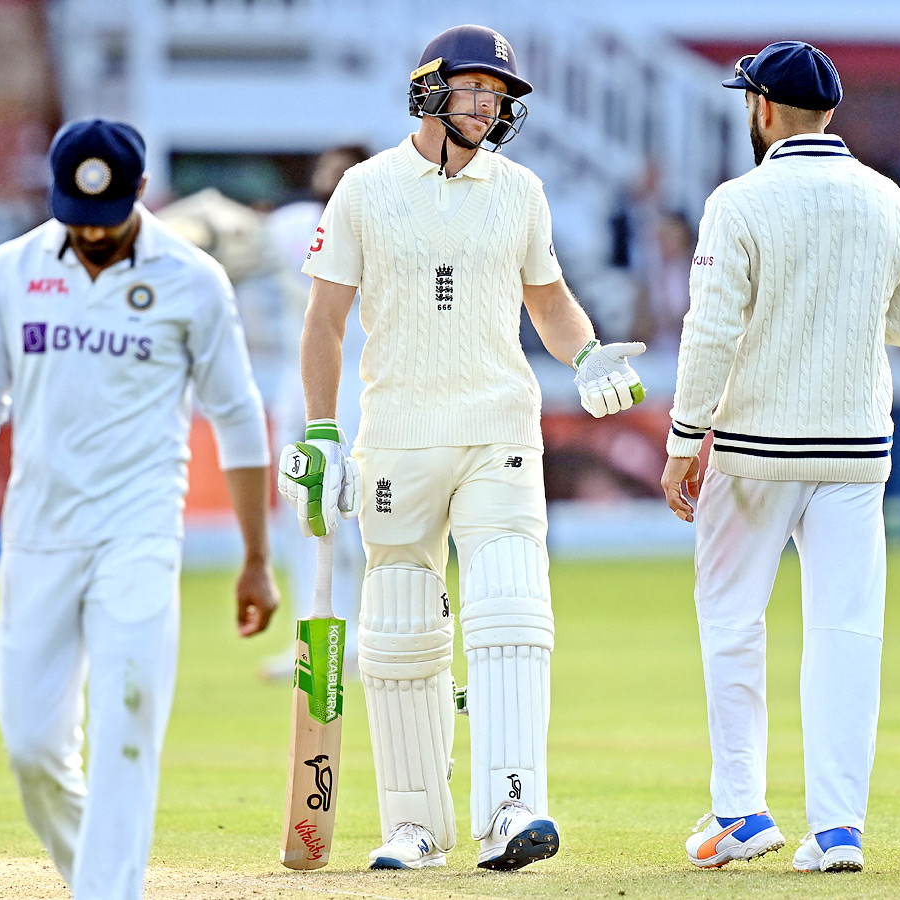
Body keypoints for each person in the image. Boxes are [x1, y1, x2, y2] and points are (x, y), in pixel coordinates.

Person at [276, 24, 646, 872]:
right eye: (475, 90)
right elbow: (324, 322)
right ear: (431, 89)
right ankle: (414, 827)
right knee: (402, 625)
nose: (488, 107)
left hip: (498, 428)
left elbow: (549, 301)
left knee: (511, 604)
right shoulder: (364, 190)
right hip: (396, 435)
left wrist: (586, 354)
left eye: (499, 95)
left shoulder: (522, 191)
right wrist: (323, 432)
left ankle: (515, 809)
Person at [0, 118, 279, 900]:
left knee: (127, 728)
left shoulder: (193, 279)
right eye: (74, 216)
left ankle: (107, 892)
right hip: (38, 536)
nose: (89, 232)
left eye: (105, 216)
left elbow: (237, 418)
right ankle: (96, 873)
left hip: (140, 533)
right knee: (31, 748)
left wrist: (256, 559)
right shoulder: (10, 270)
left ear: (140, 194)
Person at [659, 42, 900, 874]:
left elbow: (711, 331)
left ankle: (741, 812)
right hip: (854, 448)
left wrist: (679, 440)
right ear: (831, 113)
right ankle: (839, 829)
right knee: (848, 633)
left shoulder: (739, 200)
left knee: (732, 621)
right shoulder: (888, 199)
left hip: (755, 449)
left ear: (763, 109)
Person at [261, 145, 370, 681]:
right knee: (300, 518)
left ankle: (365, 634)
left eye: (347, 166)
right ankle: (312, 639)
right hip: (296, 380)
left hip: (359, 383)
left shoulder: (380, 226)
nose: (335, 175)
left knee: (356, 520)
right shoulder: (293, 225)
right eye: (329, 166)